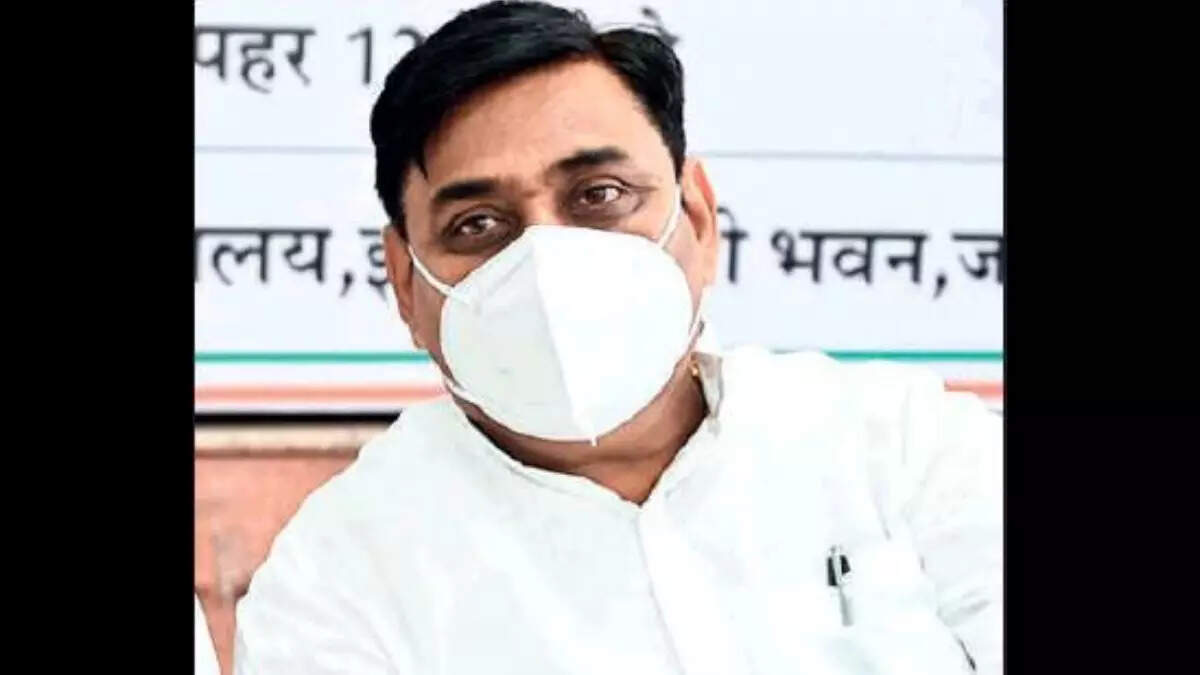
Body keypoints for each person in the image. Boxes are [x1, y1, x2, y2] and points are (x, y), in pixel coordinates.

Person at [234, 2, 1002, 673]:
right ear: (406, 281)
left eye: (599, 195)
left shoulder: (908, 447)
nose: (545, 260)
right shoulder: (338, 577)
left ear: (697, 217)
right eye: (478, 224)